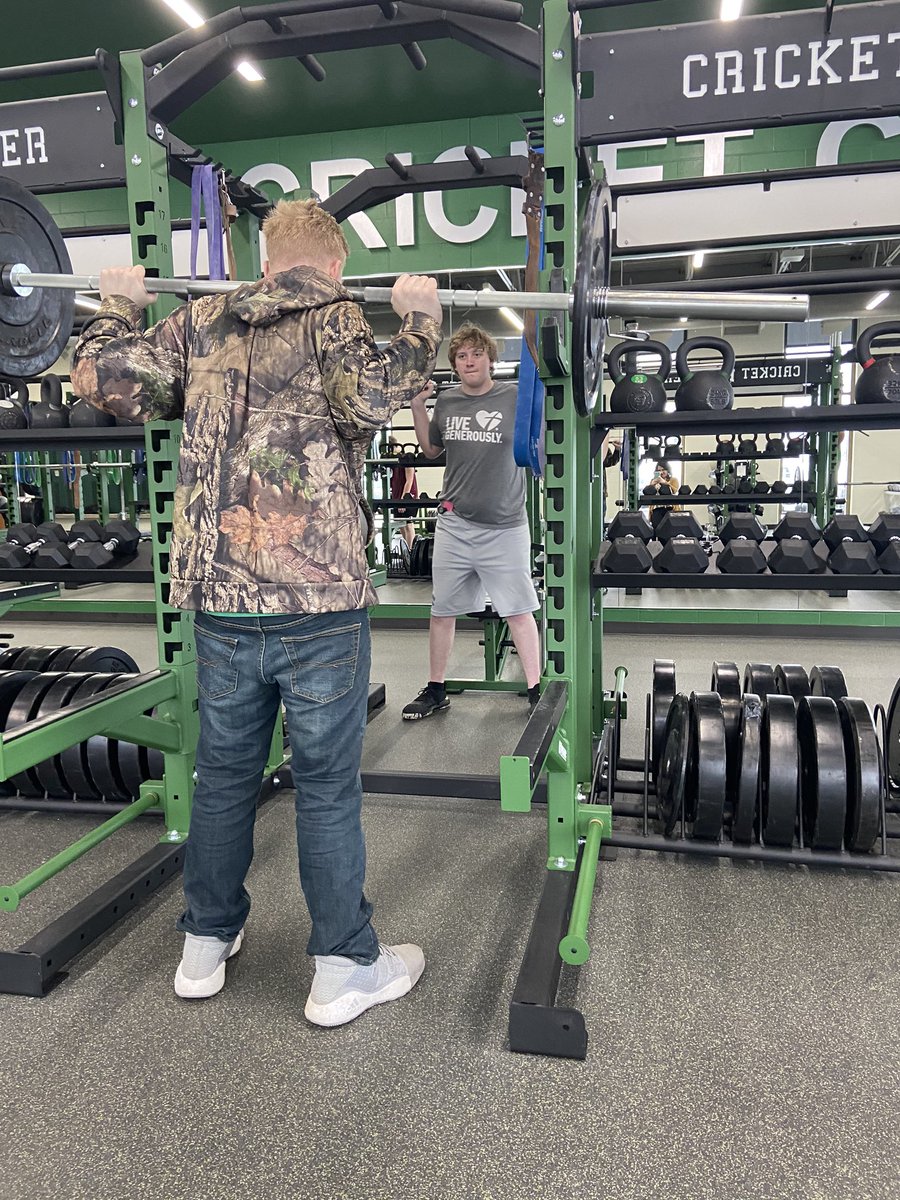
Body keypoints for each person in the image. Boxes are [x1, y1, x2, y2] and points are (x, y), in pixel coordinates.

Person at [70, 199, 443, 1026]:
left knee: (226, 777)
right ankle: (345, 964)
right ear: (334, 264)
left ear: (266, 258)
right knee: (325, 790)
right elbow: (371, 403)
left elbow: (102, 380)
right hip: (318, 602)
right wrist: (419, 326)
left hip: (222, 602)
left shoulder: (199, 321)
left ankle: (205, 942)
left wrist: (118, 307)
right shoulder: (337, 314)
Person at [402, 323, 541, 720]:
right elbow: (430, 449)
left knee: (518, 610)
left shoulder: (514, 396)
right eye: (461, 356)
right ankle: (436, 689)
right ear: (455, 364)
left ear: (491, 359)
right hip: (455, 524)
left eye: (476, 354)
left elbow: (542, 439)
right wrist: (417, 406)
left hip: (505, 525)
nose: (469, 361)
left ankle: (535, 690)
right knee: (442, 611)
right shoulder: (446, 401)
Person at [386, 436, 418, 551]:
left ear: (393, 447)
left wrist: (403, 501)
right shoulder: (391, 461)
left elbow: (409, 480)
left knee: (408, 525)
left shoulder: (407, 458)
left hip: (407, 496)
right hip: (396, 496)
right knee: (402, 526)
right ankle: (407, 553)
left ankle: (411, 552)